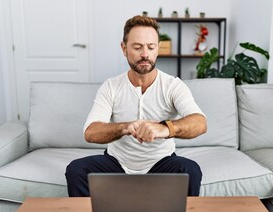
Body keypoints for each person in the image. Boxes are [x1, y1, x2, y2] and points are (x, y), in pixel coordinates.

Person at [65, 15, 207, 197]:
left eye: (151, 47)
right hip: (117, 164)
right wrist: (125, 127)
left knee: (190, 170)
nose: (145, 54)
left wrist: (164, 128)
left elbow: (200, 123)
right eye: (137, 47)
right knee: (76, 170)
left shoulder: (173, 85)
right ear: (124, 48)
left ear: (158, 49)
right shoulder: (111, 86)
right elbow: (90, 132)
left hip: (161, 164)